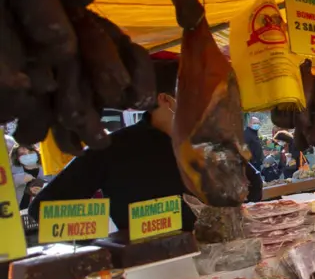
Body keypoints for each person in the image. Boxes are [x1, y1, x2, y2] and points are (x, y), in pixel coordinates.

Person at [34, 61, 263, 233]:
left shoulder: (213, 142)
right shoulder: (111, 148)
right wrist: (101, 234)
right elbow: (44, 210)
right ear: (165, 99)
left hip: (219, 257)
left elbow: (254, 188)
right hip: (146, 267)